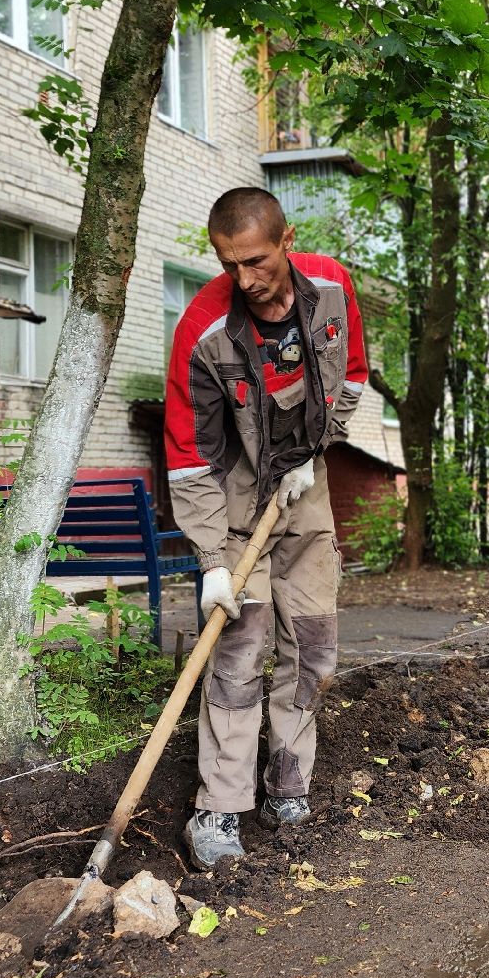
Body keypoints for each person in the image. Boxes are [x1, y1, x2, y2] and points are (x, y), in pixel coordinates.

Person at [163, 187, 369, 868]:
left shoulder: (332, 286)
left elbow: (353, 378)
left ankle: (287, 780)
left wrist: (318, 451)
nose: (244, 279)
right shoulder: (203, 330)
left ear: (286, 240)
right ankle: (219, 808)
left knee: (312, 644)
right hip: (230, 499)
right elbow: (189, 456)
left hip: (304, 489)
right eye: (229, 265)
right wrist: (212, 560)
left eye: (255, 261)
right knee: (237, 653)